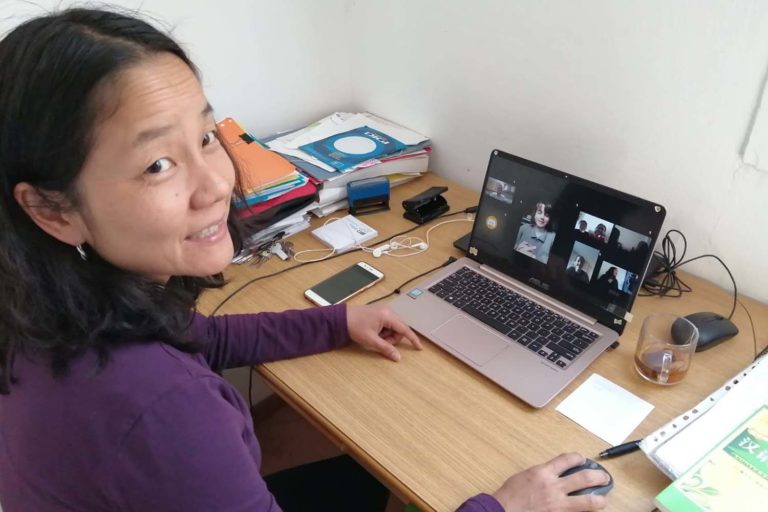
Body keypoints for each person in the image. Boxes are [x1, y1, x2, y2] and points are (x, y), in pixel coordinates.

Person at [0, 8, 609, 512]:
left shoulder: (51, 309)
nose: (215, 183)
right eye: (158, 163)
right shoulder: (163, 409)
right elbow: (173, 391)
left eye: (207, 137)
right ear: (53, 210)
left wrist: (339, 322)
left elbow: (199, 336)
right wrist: (505, 507)